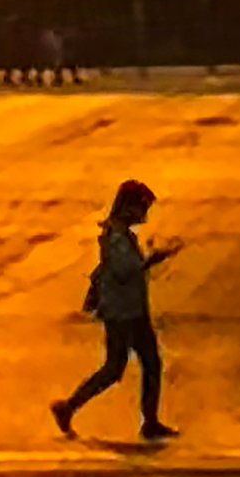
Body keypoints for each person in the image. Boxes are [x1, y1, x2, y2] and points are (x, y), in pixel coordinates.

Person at [52, 178, 179, 443]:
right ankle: (71, 407)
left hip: (129, 309)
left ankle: (74, 407)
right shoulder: (116, 238)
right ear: (128, 208)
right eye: (142, 207)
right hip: (124, 312)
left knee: (130, 365)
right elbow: (125, 270)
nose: (144, 214)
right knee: (127, 366)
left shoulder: (118, 235)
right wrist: (154, 259)